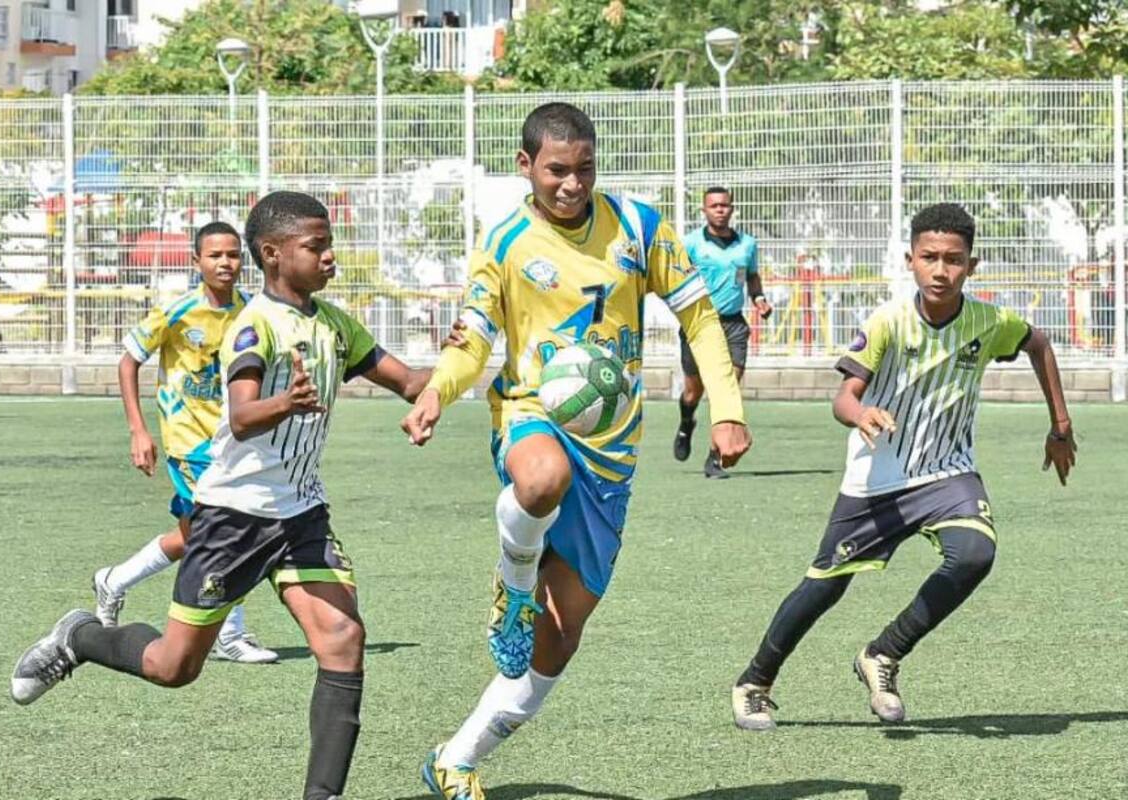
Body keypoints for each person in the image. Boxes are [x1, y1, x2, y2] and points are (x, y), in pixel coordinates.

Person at [11, 191, 431, 800]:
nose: (330, 256)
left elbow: (409, 381)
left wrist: (465, 364)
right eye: (316, 246)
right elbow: (240, 414)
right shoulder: (252, 324)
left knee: (343, 639)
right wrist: (284, 403)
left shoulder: (336, 324)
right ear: (275, 254)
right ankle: (79, 637)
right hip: (232, 518)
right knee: (173, 668)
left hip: (301, 514)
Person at [401, 102, 751, 799]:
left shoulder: (640, 227)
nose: (572, 183)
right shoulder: (503, 243)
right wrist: (440, 388)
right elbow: (473, 338)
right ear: (525, 165)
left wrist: (727, 408)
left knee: (557, 642)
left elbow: (700, 316)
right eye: (557, 169)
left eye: (584, 168)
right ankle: (514, 582)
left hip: (613, 451)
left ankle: (457, 757)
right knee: (540, 479)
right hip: (532, 412)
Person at [731, 203, 1077, 732]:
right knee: (825, 585)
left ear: (972, 265)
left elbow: (1038, 343)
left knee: (975, 554)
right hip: (877, 483)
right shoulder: (888, 321)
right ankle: (755, 681)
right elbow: (843, 397)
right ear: (910, 260)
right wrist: (861, 413)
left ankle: (883, 654)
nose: (941, 270)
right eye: (929, 257)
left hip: (947, 474)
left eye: (954, 260)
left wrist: (1060, 426)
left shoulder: (989, 321)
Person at [91, 221, 275, 663]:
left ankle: (115, 580)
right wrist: (139, 429)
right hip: (188, 442)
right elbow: (128, 362)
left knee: (193, 536)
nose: (225, 263)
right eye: (215, 255)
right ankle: (231, 635)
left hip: (234, 440)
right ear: (197, 262)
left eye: (232, 254)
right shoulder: (178, 312)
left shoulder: (252, 312)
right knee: (227, 529)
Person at [672, 188, 773, 477]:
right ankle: (686, 423)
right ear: (704, 210)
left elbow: (751, 276)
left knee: (728, 388)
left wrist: (759, 299)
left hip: (733, 324)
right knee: (694, 392)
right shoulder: (690, 244)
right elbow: (676, 279)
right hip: (699, 324)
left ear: (732, 209)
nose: (720, 210)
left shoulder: (747, 245)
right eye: (714, 206)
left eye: (725, 205)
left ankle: (714, 458)